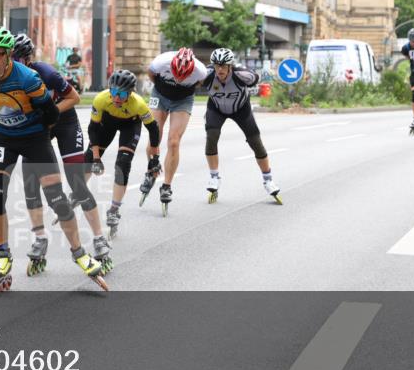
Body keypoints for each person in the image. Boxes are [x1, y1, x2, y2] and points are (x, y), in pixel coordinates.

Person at [0, 25, 106, 294]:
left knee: (56, 198)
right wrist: (8, 122)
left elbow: (52, 115)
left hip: (35, 137)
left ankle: (79, 253)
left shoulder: (29, 78)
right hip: (3, 137)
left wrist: (33, 128)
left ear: (8, 55)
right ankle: (3, 254)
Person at [11, 34, 111, 275]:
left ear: (27, 59)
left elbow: (74, 97)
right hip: (40, 128)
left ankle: (98, 238)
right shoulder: (10, 79)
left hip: (65, 122)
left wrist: (50, 114)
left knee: (77, 182)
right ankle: (40, 238)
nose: (12, 63)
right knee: (30, 181)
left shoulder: (45, 73)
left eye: (17, 59)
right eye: (10, 58)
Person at [201, 47, 281, 203]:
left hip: (241, 109)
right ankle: (214, 177)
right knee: (211, 136)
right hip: (216, 109)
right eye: (217, 65)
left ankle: (268, 180)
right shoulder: (206, 75)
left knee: (256, 143)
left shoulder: (242, 75)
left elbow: (257, 78)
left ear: (231, 66)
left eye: (224, 66)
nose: (220, 69)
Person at [87, 69, 162, 233]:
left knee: (122, 164)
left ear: (130, 93)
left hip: (130, 125)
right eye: (113, 92)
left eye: (121, 94)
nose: (116, 98)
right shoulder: (101, 99)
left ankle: (114, 210)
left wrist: (155, 157)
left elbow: (154, 129)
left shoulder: (139, 104)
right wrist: (96, 158)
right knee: (88, 160)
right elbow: (92, 129)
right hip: (107, 124)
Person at [143, 47, 208, 213]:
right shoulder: (161, 62)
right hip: (160, 95)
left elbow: (199, 84)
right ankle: (152, 170)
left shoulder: (200, 71)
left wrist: (180, 88)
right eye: (176, 74)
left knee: (174, 141)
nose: (179, 78)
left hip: (183, 100)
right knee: (154, 136)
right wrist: (162, 89)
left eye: (183, 76)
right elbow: (150, 73)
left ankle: (166, 185)